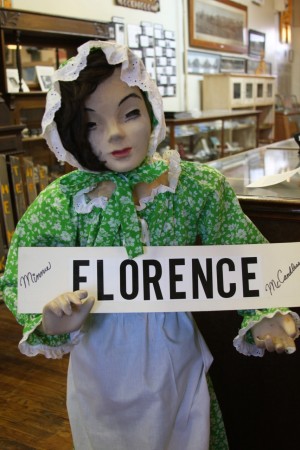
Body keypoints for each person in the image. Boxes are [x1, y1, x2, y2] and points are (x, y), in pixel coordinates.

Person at [0, 40, 299, 450]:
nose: (116, 133)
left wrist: (264, 310)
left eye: (131, 113)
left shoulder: (194, 187)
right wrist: (51, 317)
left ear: (152, 108)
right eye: (91, 124)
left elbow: (239, 244)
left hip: (175, 356)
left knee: (186, 433)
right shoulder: (64, 202)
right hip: (100, 367)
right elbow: (23, 271)